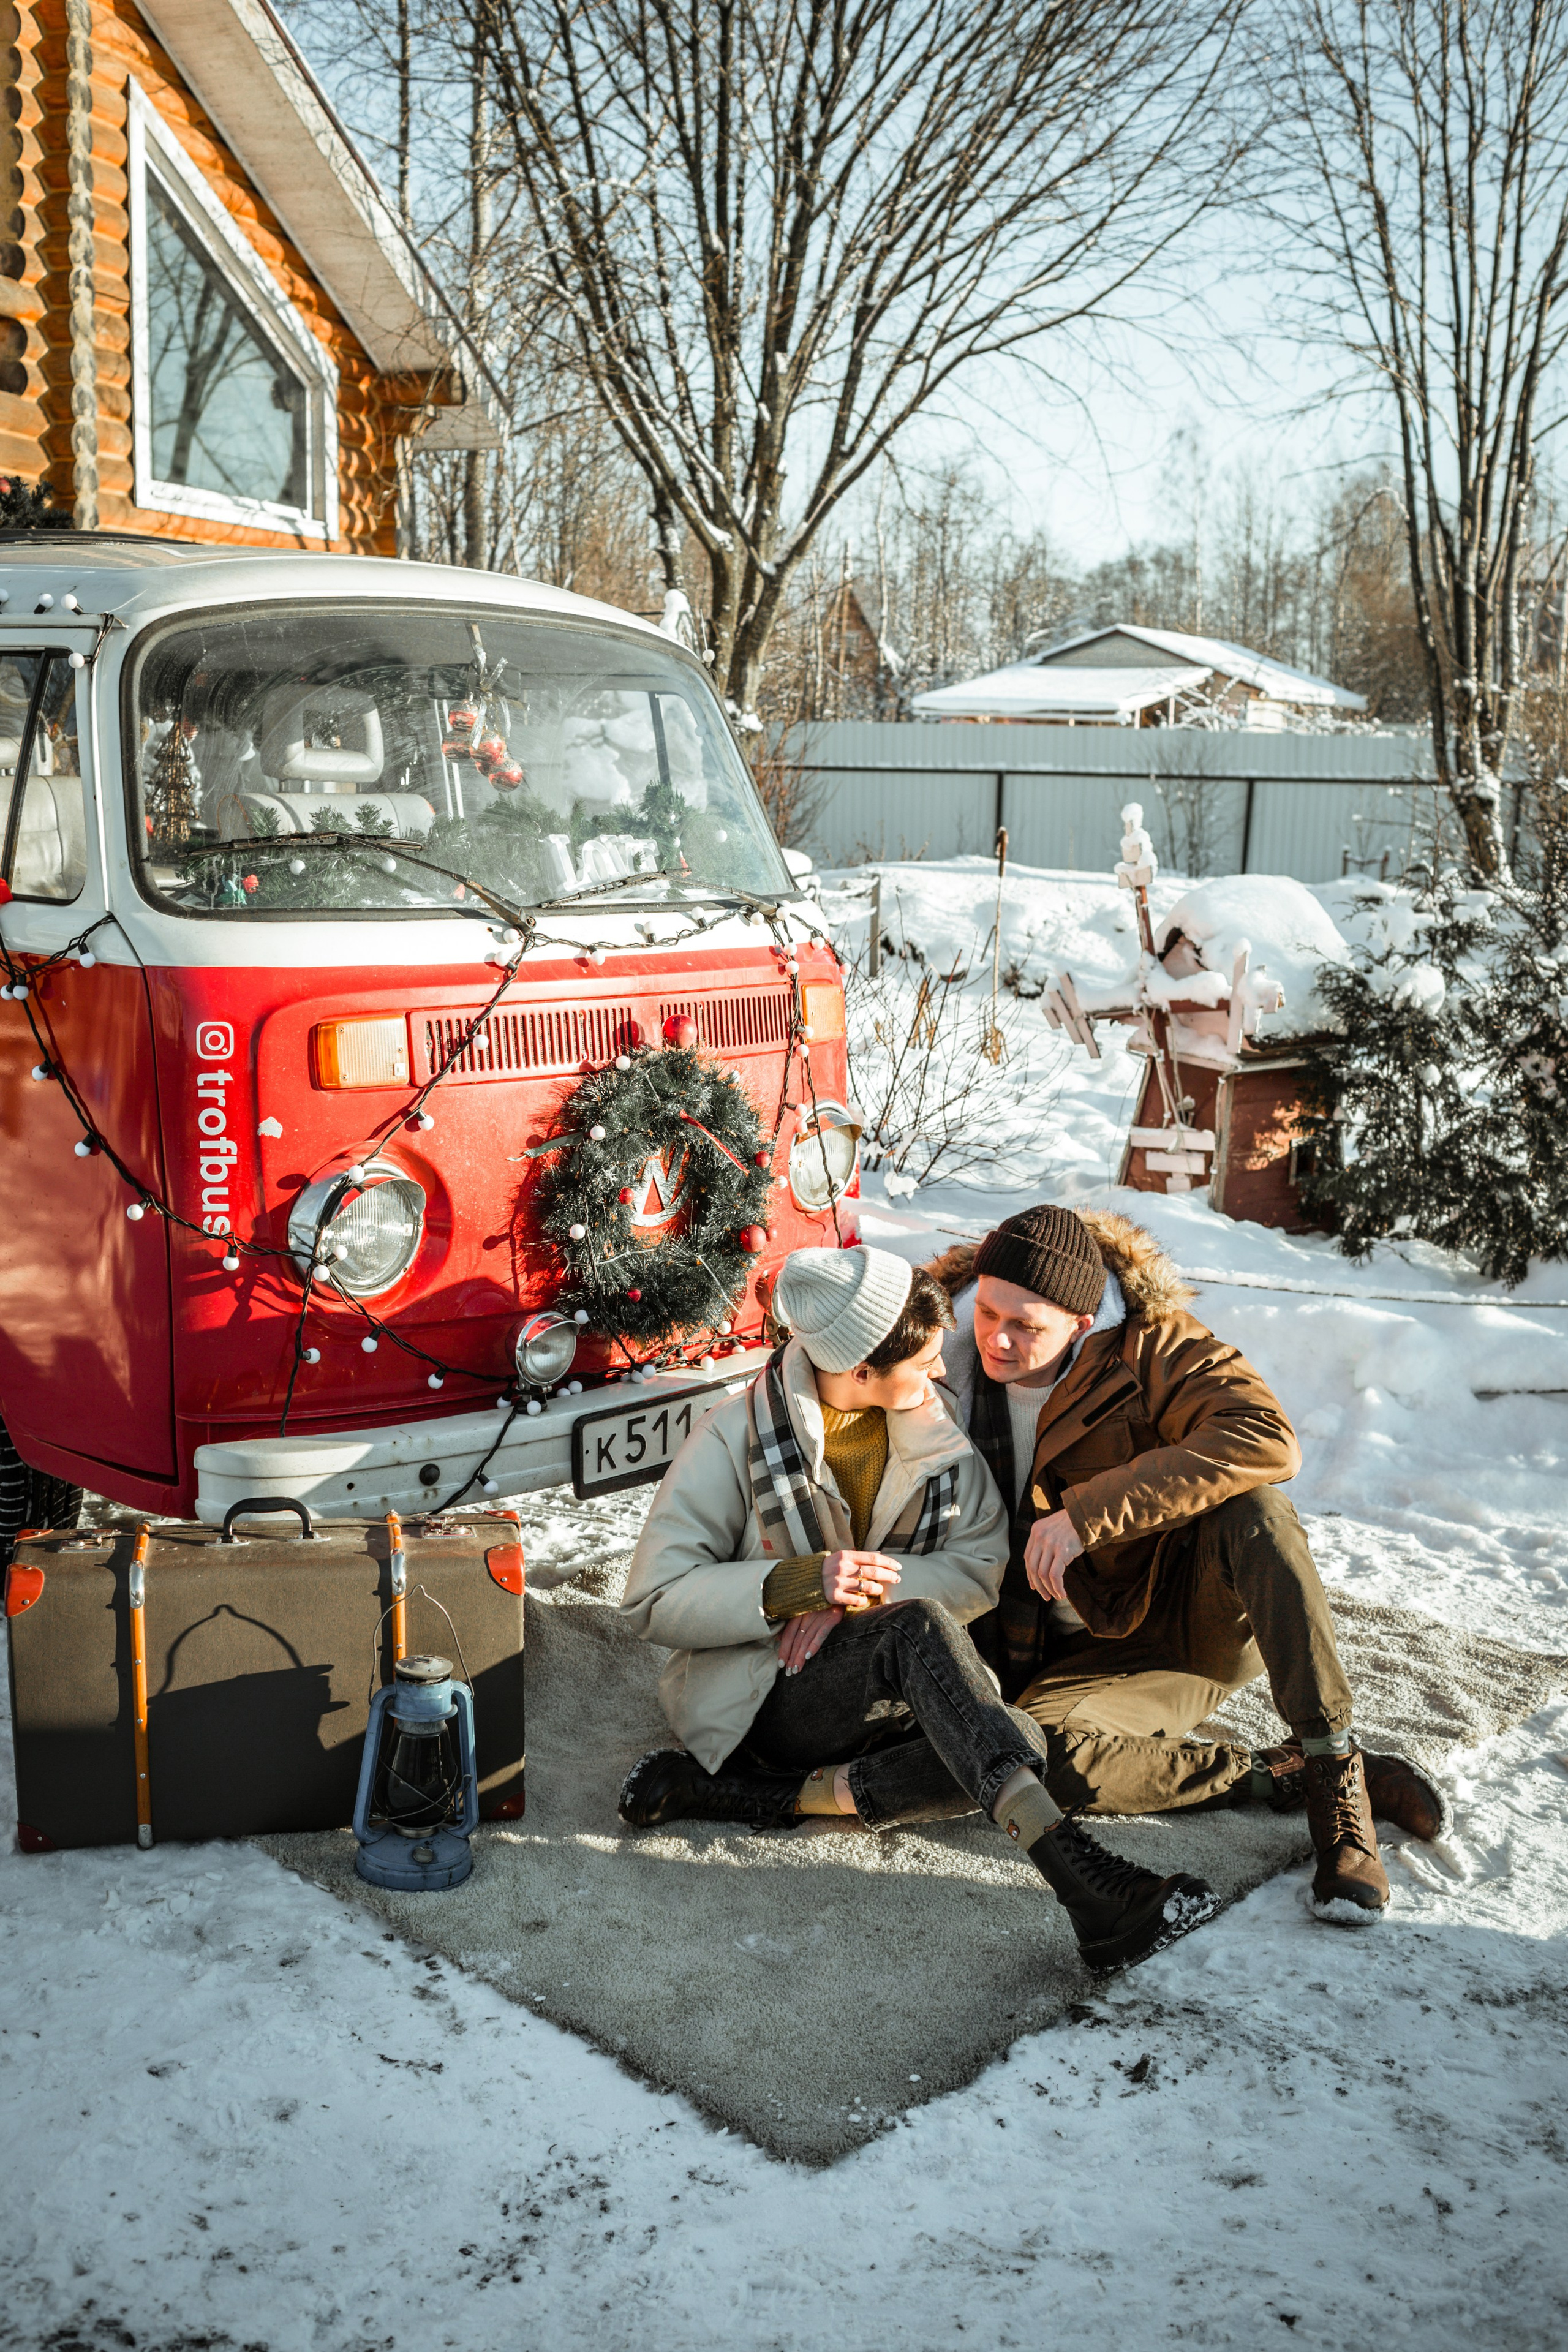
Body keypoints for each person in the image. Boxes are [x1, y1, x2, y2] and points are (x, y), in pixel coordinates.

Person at [616, 1243, 1223, 1973]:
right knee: (926, 1638)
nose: (943, 1371)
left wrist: (854, 1591)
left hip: (878, 1698)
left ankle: (755, 1798)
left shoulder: (933, 1427)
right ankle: (1085, 1883)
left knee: (1013, 1735)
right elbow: (653, 1599)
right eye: (924, 1361)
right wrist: (795, 1585)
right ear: (860, 1370)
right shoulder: (732, 1432)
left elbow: (980, 1567)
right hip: (762, 1694)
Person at [923, 1204, 1444, 1917]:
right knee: (1032, 1757)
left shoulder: (1152, 1344)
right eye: (987, 1313)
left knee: (1256, 1511)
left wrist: (1085, 1513)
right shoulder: (929, 1356)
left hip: (1174, 1620)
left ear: (1083, 1323)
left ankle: (1334, 1774)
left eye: (1026, 1326)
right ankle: (1276, 1779)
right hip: (1047, 1653)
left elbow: (1265, 1436)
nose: (998, 1339)